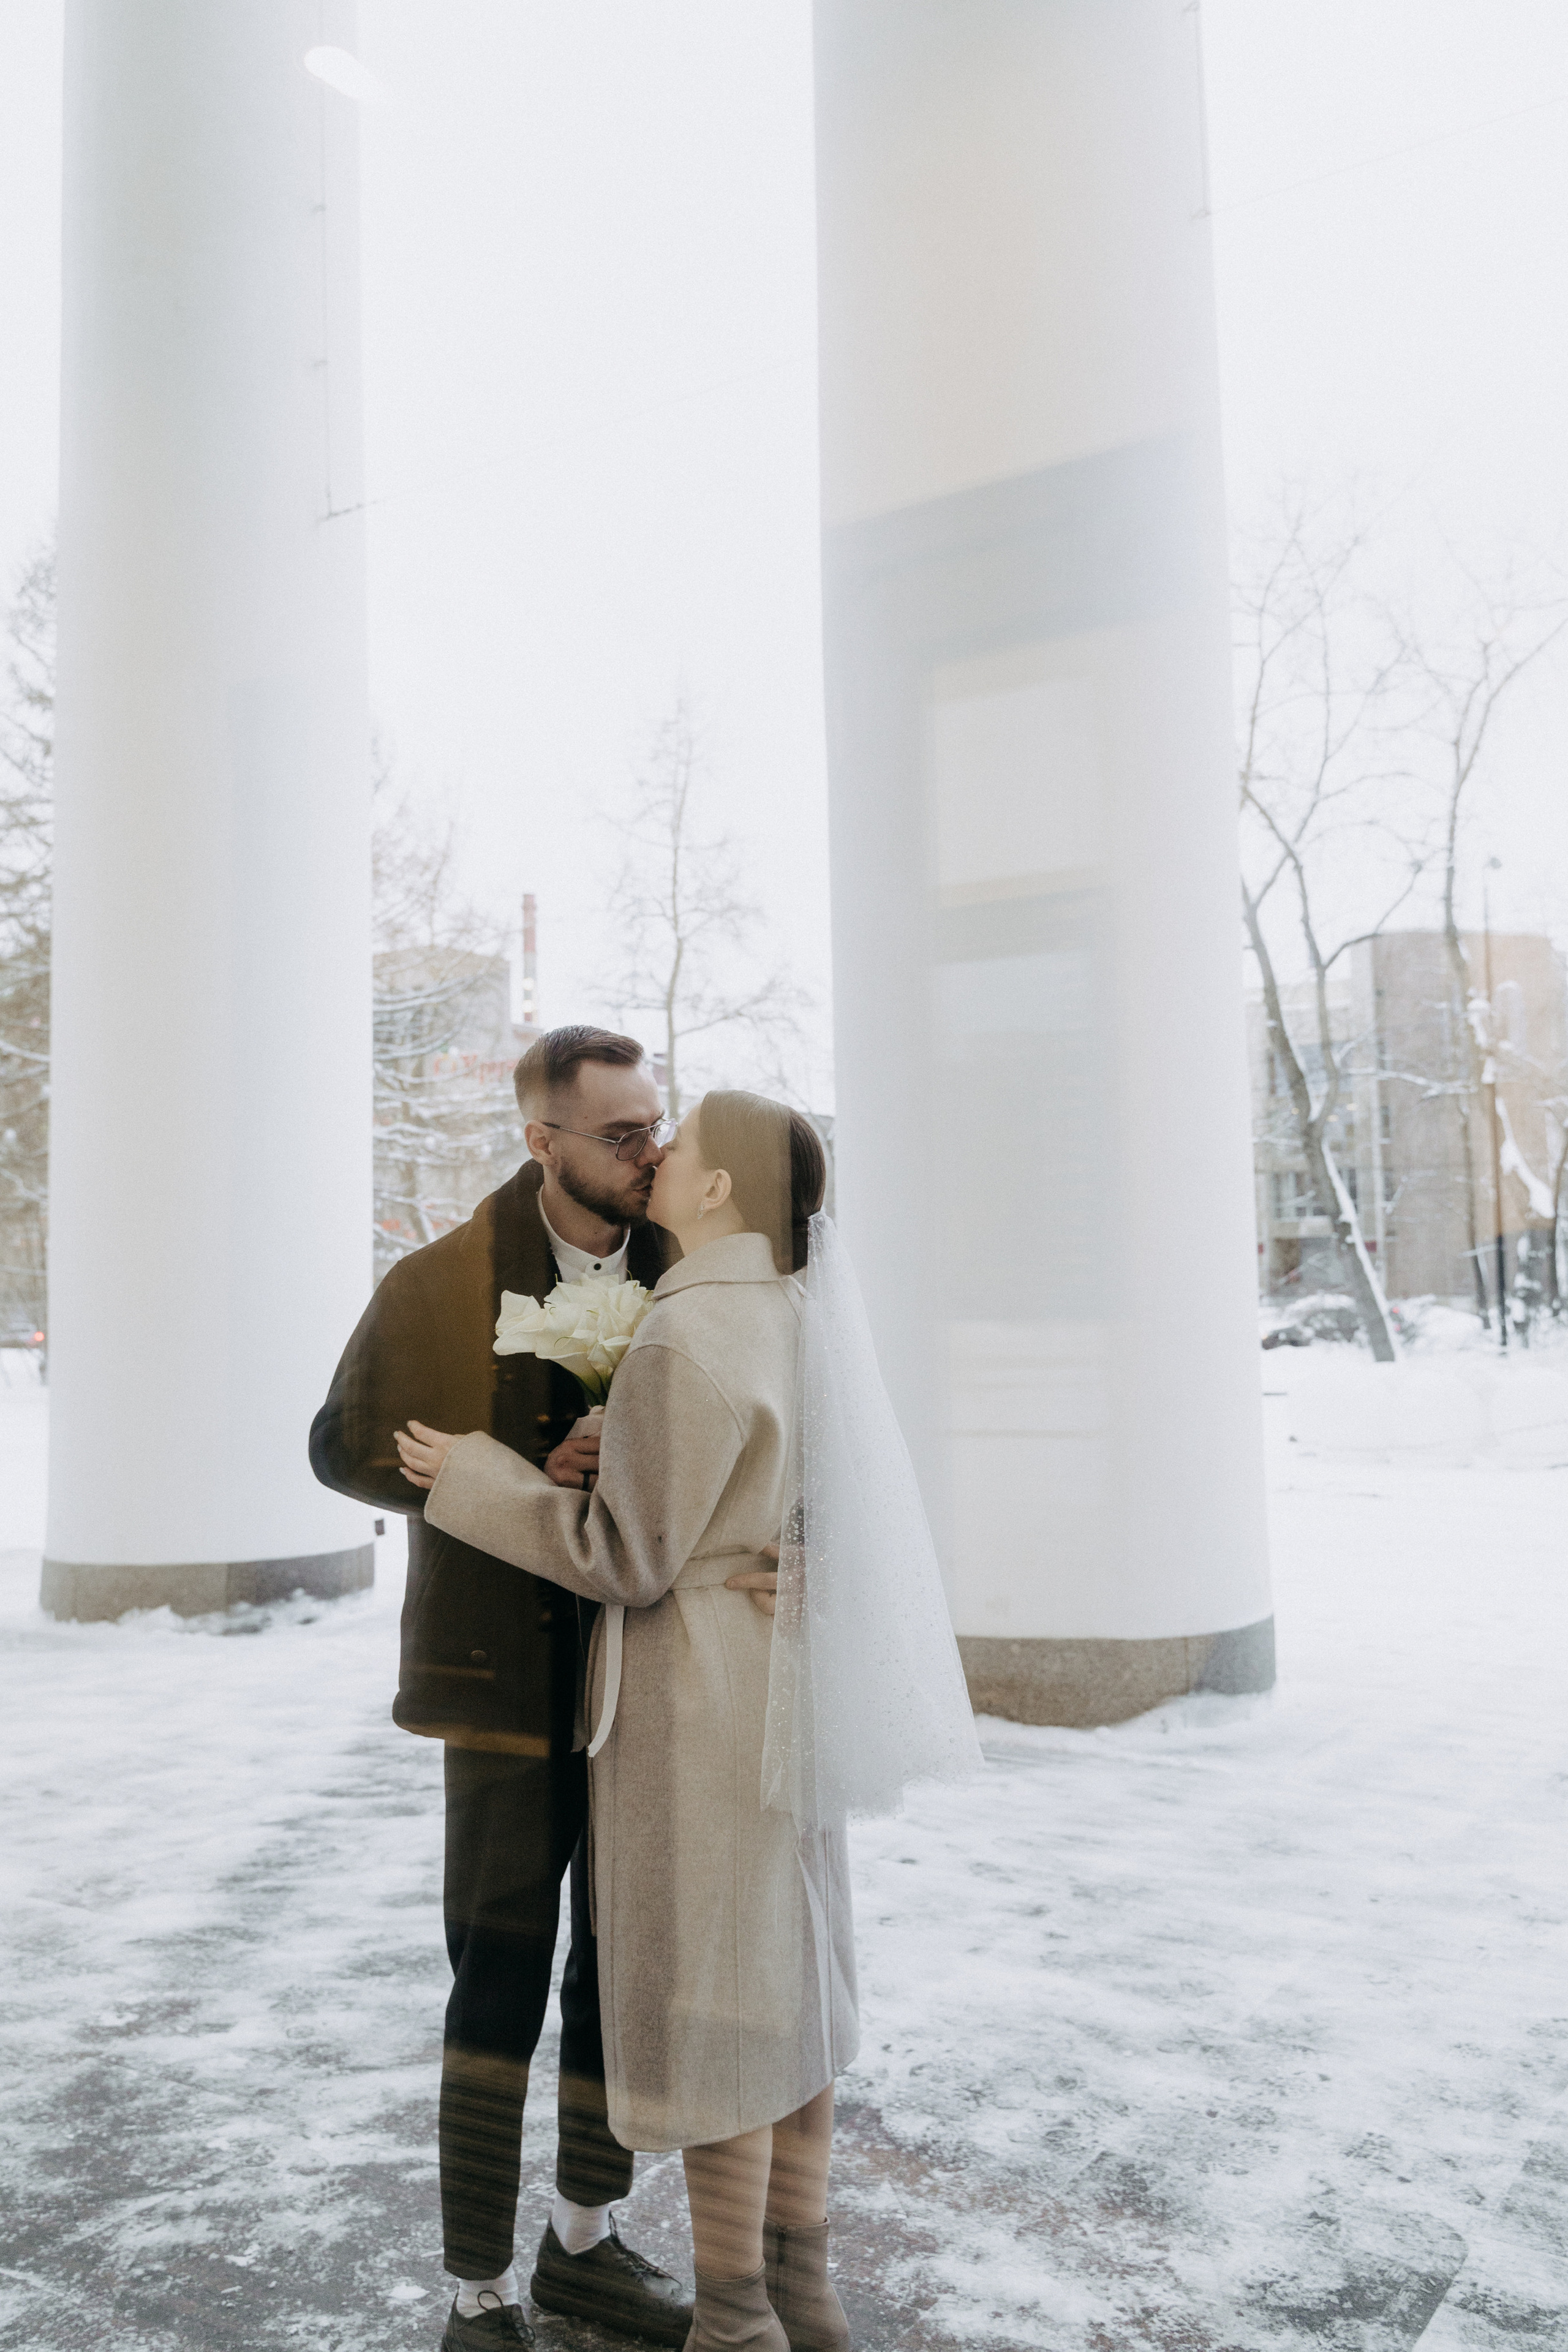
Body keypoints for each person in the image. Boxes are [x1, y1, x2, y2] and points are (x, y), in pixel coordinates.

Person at [395, 1093, 859, 2352]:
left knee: (716, 2012)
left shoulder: (686, 1328)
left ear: (717, 1190)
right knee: (790, 1994)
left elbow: (627, 1560)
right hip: (780, 1681)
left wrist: (481, 1478)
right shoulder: (795, 1309)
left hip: (694, 1696)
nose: (658, 1155)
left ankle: (737, 2319)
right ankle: (803, 2294)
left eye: (680, 1140)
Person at [310, 1027, 695, 2352]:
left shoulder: (685, 1269)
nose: (650, 1153)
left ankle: (583, 2243)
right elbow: (340, 1447)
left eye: (654, 1126)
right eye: (622, 1134)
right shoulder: (438, 1278)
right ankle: (476, 2292)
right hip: (494, 1685)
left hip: (647, 1677)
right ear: (542, 1141)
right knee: (498, 1982)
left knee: (619, 1974)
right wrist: (517, 1464)